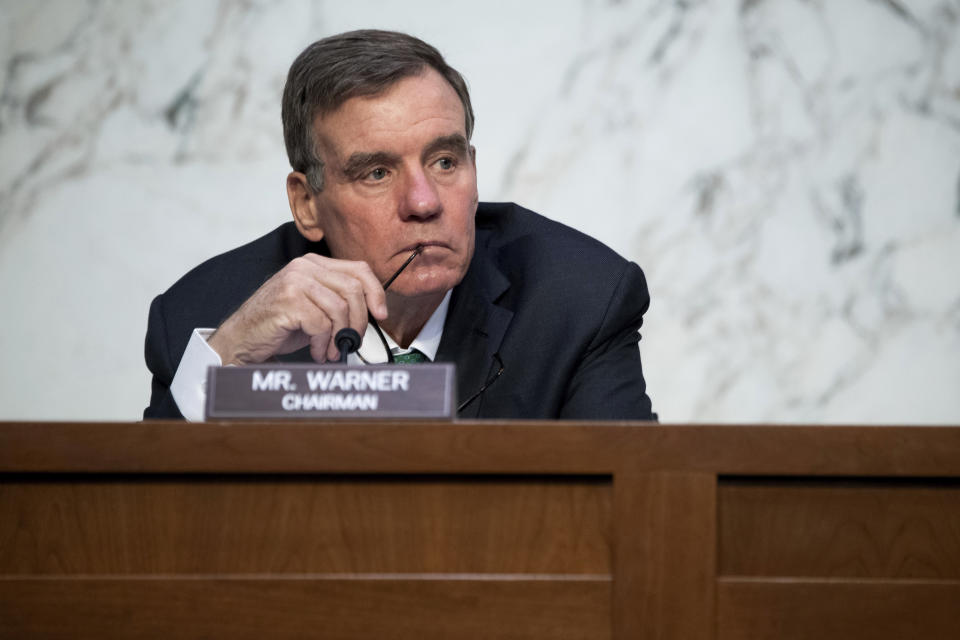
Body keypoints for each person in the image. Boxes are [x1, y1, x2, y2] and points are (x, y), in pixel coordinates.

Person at [143, 29, 656, 421]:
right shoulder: (204, 318)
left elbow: (633, 503)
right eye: (377, 172)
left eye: (445, 162)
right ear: (306, 204)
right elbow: (141, 530)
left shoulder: (577, 301)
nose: (424, 202)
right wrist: (227, 359)